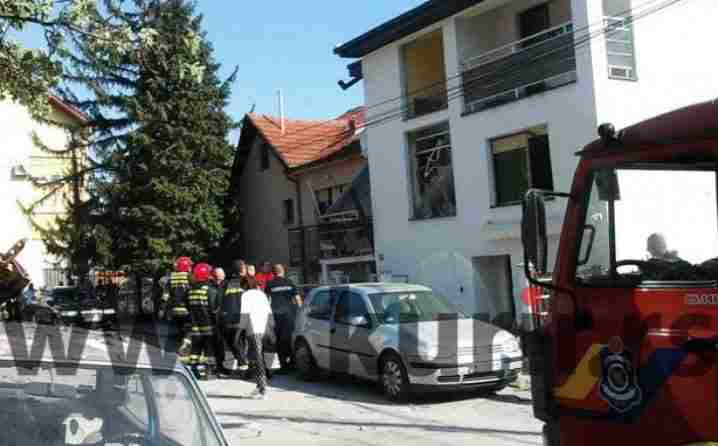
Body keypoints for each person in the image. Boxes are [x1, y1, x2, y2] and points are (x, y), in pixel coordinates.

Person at [239, 276, 273, 399]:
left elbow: (244, 315)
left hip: (253, 329)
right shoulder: (262, 294)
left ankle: (263, 389)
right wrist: (271, 329)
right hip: (264, 328)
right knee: (257, 357)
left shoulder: (245, 295)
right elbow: (269, 313)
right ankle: (259, 386)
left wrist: (239, 331)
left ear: (245, 285)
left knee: (258, 359)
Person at [266, 264, 302, 372]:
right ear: (283, 271)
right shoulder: (290, 282)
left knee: (278, 340)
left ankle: (283, 365)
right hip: (289, 315)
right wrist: (300, 313)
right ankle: (293, 363)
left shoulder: (270, 284)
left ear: (273, 273)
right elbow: (298, 300)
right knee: (290, 338)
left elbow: (267, 301)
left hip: (276, 315)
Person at [216, 260, 247, 377]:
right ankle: (243, 366)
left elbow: (218, 301)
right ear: (241, 270)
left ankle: (242, 365)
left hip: (227, 319)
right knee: (240, 343)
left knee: (233, 343)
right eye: (244, 267)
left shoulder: (224, 284)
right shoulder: (245, 282)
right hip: (242, 318)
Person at [187, 263, 218, 380]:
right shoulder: (210, 290)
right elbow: (214, 309)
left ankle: (193, 371)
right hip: (208, 326)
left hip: (195, 326)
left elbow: (188, 306)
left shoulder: (190, 291)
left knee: (195, 349)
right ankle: (209, 373)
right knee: (209, 349)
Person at [168, 257, 193, 361]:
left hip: (175, 309)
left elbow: (166, 294)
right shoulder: (189, 276)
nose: (191, 268)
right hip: (187, 308)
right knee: (191, 329)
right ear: (186, 267)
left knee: (181, 329)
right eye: (190, 266)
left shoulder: (172, 277)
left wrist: (163, 309)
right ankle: (185, 347)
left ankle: (181, 348)